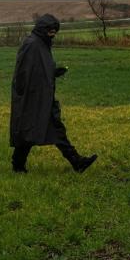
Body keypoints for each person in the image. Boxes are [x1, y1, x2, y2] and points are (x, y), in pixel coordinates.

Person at [10, 14, 97, 173]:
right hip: (31, 98)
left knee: (55, 129)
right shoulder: (31, 44)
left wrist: (54, 72)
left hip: (44, 96)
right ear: (43, 29)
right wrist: (24, 97)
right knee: (29, 130)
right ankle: (18, 165)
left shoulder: (43, 44)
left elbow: (39, 69)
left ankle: (77, 162)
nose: (53, 34)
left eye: (55, 31)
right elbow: (22, 73)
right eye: (50, 31)